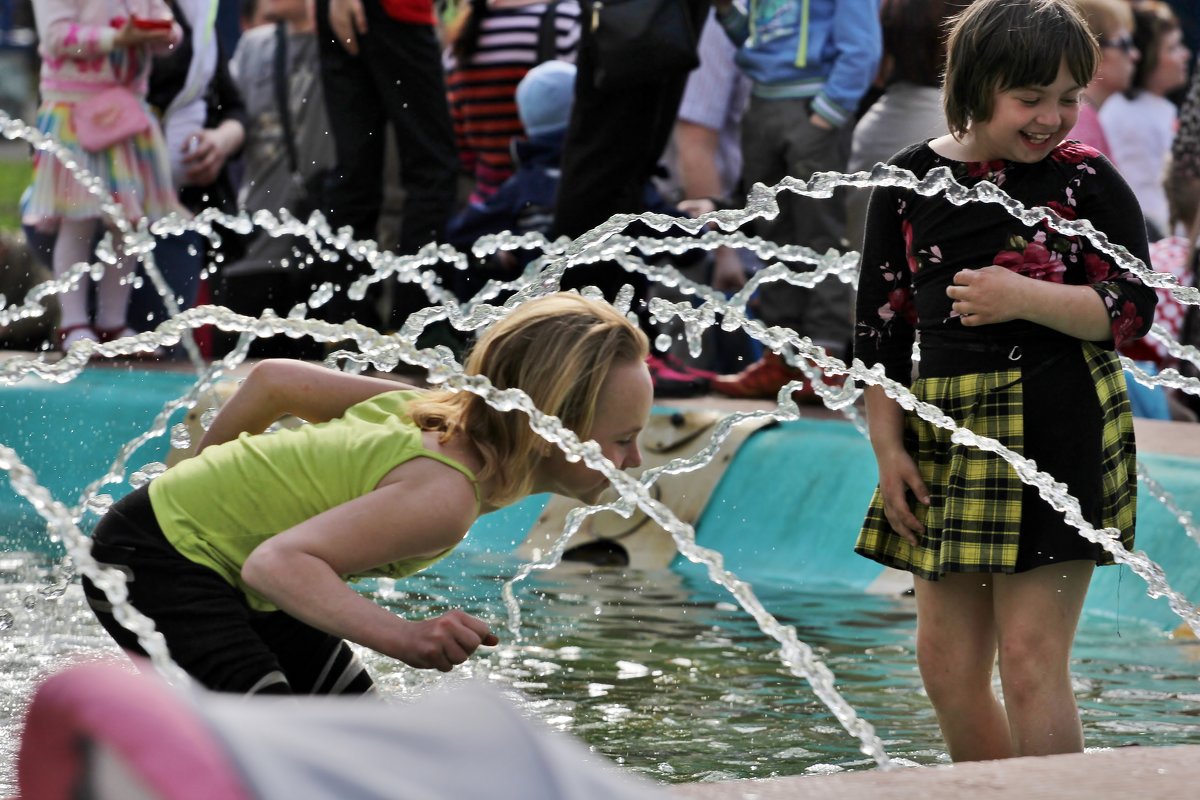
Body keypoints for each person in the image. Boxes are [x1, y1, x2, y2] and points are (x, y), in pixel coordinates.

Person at [853, 0, 1157, 762]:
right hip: (948, 427)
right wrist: (888, 449)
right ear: (973, 84)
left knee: (1029, 660)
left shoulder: (1086, 183)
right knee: (947, 667)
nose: (1053, 117)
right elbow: (878, 334)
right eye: (1031, 98)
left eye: (1069, 98)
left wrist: (1024, 297)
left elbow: (1134, 312)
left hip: (1061, 423)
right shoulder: (911, 181)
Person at [82, 293, 653, 694]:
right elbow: (274, 564)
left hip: (195, 549)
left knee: (356, 734)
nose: (635, 461)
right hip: (157, 560)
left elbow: (273, 381)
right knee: (272, 745)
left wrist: (199, 482)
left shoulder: (426, 409)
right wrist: (404, 636)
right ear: (548, 430)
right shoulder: (446, 497)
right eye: (623, 439)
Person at [707, 0, 881, 402]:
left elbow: (863, 48)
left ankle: (826, 357)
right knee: (772, 233)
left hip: (811, 106)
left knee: (821, 234)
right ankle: (781, 356)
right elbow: (758, 39)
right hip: (764, 105)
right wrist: (726, 13)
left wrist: (827, 112)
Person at [21, 0, 183, 351]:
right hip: (74, 112)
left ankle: (113, 324)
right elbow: (56, 37)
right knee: (77, 219)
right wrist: (118, 37)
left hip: (126, 115)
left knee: (128, 226)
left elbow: (169, 32)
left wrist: (163, 32)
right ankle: (73, 323)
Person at [315, 0, 459, 331]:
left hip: (355, 11)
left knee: (356, 172)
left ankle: (346, 327)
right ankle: (419, 327)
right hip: (392, 10)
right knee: (431, 168)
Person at [126, 0, 247, 352]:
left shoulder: (197, 12)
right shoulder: (98, 12)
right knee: (102, 345)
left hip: (181, 211)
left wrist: (220, 142)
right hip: (106, 212)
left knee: (167, 352)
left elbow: (235, 109)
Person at [215, 0, 332, 360]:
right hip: (256, 253)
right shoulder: (255, 45)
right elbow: (228, 113)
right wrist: (218, 142)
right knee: (233, 391)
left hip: (324, 257)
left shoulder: (350, 44)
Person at [443, 0, 581, 208]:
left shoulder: (461, 35)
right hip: (554, 206)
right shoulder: (567, 21)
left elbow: (460, 147)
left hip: (489, 210)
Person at [1100, 0, 1192, 238]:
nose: (1185, 54)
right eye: (1172, 48)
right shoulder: (1129, 114)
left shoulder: (1157, 108)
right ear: (1150, 58)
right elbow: (1145, 196)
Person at [1067, 0, 1138, 160]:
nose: (1135, 55)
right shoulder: (1079, 123)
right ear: (1093, 49)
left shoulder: (1085, 117)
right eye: (1124, 43)